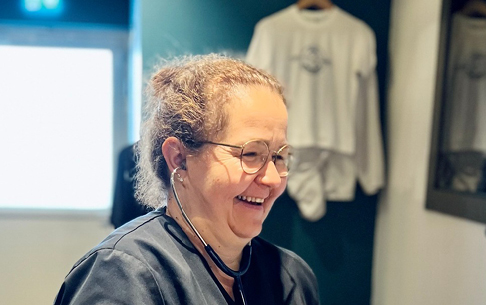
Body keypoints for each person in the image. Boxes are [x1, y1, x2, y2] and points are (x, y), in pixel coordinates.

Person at [54, 54, 320, 305]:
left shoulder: (291, 278)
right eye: (250, 153)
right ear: (179, 158)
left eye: (280, 157)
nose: (273, 179)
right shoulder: (123, 275)